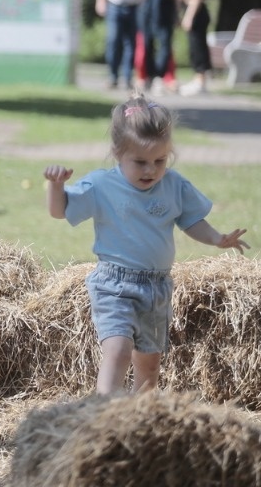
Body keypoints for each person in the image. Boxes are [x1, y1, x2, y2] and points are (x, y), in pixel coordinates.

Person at [43, 96, 249, 395]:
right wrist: (56, 186)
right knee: (118, 351)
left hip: (157, 288)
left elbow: (191, 221)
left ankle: (143, 420)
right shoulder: (101, 185)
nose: (150, 170)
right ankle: (101, 414)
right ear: (117, 152)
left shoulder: (173, 185)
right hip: (114, 284)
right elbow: (59, 211)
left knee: (149, 364)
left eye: (159, 161)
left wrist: (217, 238)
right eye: (140, 162)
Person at [176, 0, 213, 96]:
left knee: (198, 46)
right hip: (189, 10)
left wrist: (189, 17)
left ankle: (201, 79)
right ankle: (197, 78)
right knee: (193, 46)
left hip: (197, 13)